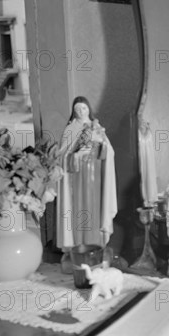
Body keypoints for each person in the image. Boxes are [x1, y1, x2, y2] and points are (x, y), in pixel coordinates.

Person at [57, 96, 117, 272]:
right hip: (74, 180)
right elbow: (62, 154)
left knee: (93, 210)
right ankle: (75, 249)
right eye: (77, 109)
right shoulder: (70, 129)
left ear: (88, 109)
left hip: (94, 177)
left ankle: (95, 248)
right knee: (77, 212)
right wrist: (73, 155)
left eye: (83, 108)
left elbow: (108, 151)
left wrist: (99, 143)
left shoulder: (96, 127)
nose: (80, 112)